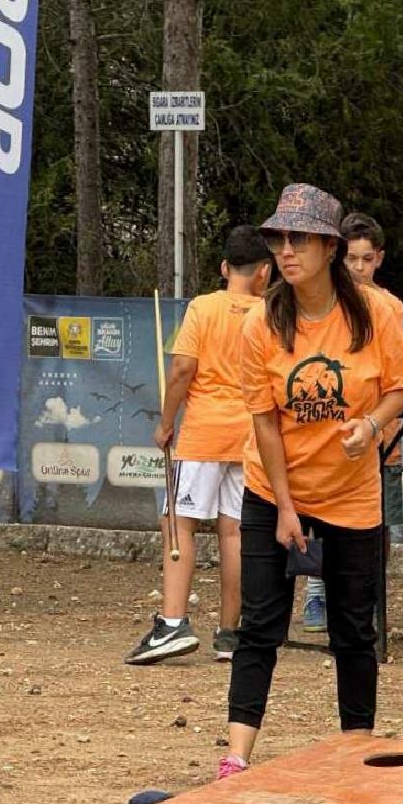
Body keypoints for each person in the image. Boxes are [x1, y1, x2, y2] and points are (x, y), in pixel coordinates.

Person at [218, 184, 403, 780]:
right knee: (259, 624)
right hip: (272, 489)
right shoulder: (261, 321)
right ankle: (236, 756)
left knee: (354, 629)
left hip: (352, 494)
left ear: (331, 246)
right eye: (280, 237)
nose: (286, 249)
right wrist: (284, 508)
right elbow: (264, 420)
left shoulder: (375, 312)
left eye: (300, 238)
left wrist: (373, 425)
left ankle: (358, 752)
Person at [125, 225, 273, 665]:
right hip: (251, 437)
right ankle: (230, 634)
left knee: (178, 522)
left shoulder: (204, 307)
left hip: (205, 433)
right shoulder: (270, 313)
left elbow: (182, 371)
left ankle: (172, 623)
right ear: (265, 272)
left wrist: (166, 423)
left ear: (226, 267)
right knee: (235, 531)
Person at [301, 212, 403, 634]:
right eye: (351, 259)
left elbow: (397, 376)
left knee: (379, 524)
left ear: (378, 259)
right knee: (318, 518)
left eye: (366, 259)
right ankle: (315, 589)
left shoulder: (390, 307)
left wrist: (377, 422)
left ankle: (369, 600)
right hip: (326, 436)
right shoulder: (320, 305)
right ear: (336, 259)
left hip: (381, 438)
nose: (358, 268)